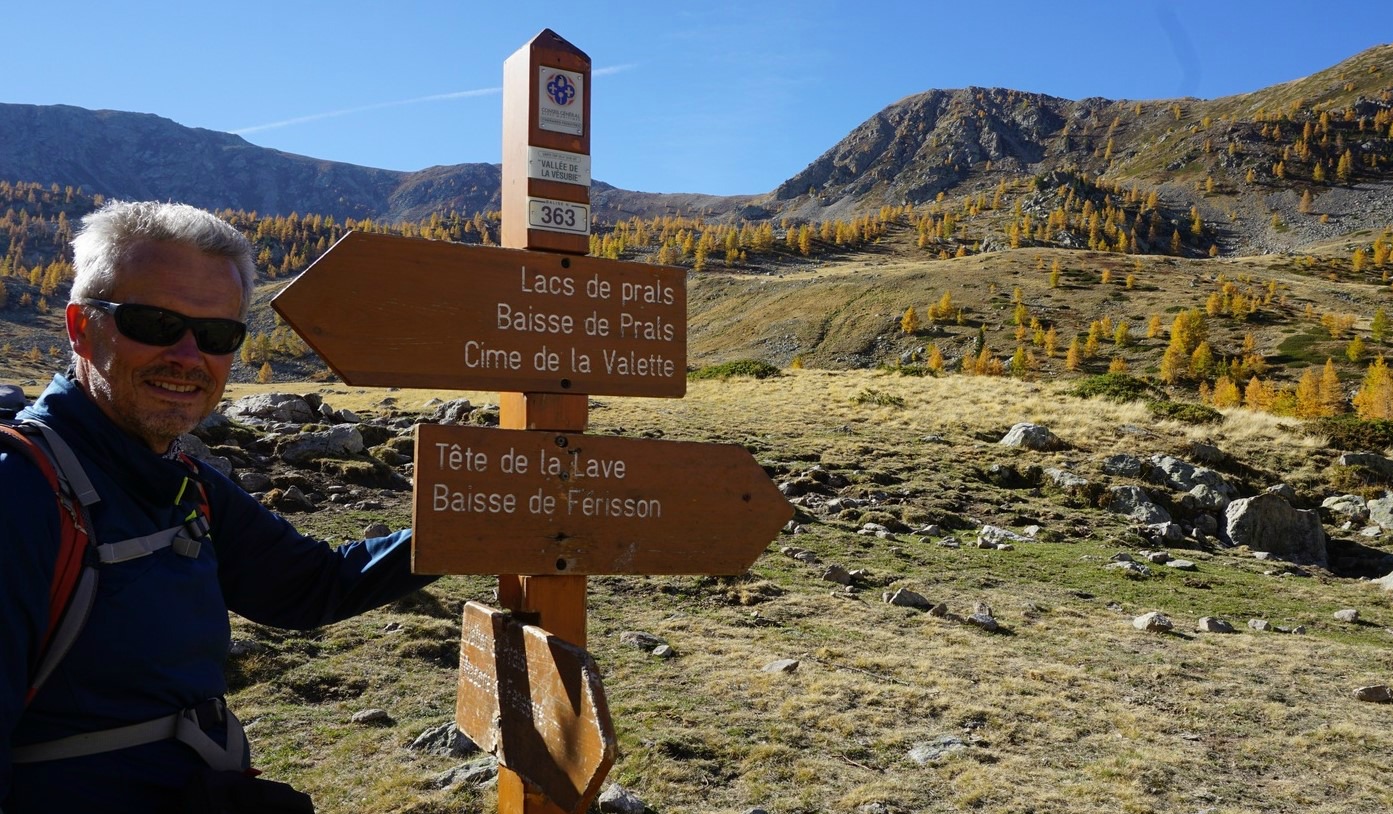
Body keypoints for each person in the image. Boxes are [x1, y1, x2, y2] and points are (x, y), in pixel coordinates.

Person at [0, 201, 435, 812]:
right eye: (153, 323)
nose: (187, 356)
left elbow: (312, 586)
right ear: (80, 328)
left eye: (215, 335)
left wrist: (468, 524)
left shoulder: (181, 481)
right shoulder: (19, 491)